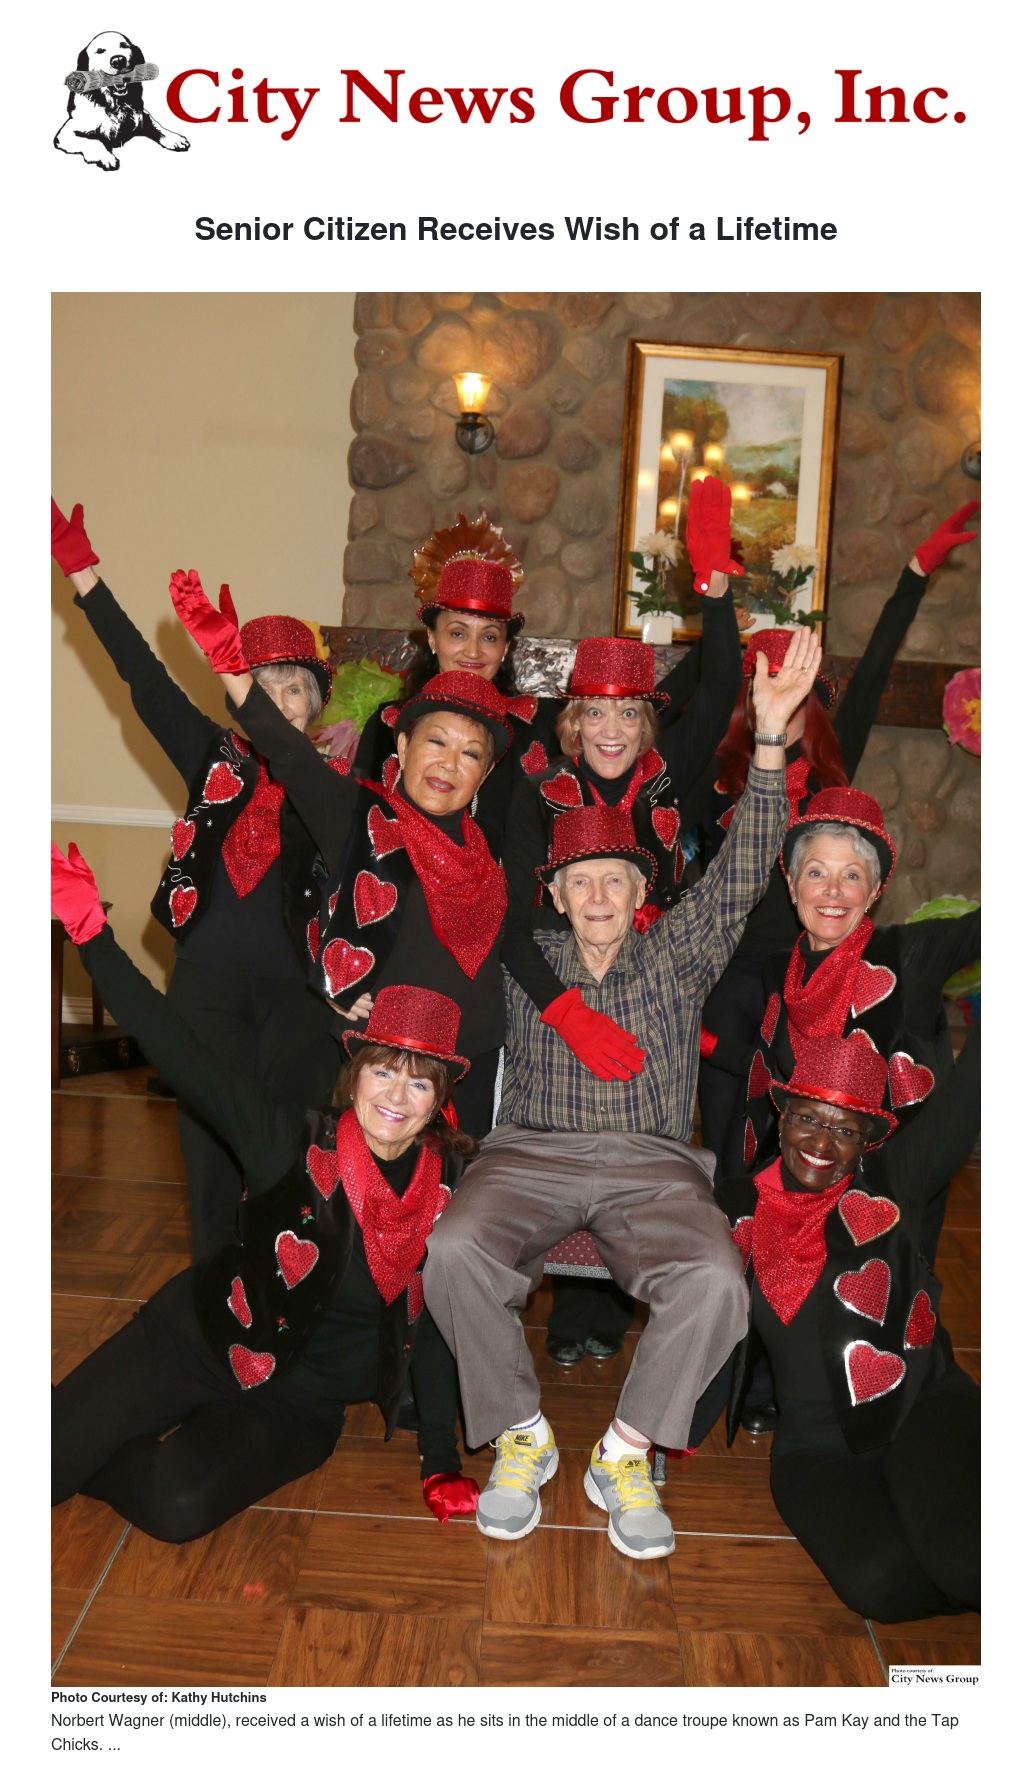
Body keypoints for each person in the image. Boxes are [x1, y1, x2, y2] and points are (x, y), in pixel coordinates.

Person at [423, 628, 821, 1562]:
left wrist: (768, 736)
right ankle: (522, 1433)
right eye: (580, 882)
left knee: (717, 1278)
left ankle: (626, 1450)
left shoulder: (677, 950)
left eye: (615, 879)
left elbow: (746, 862)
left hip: (653, 1166)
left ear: (643, 889)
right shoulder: (527, 958)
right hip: (529, 1153)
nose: (598, 896)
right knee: (452, 1249)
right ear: (556, 895)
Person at [52, 838, 481, 1540]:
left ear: (440, 1101)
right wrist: (91, 934)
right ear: (355, 1073)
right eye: (383, 1070)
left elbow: (435, 1329)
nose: (395, 1096)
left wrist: (440, 1459)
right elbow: (181, 1052)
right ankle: (73, 1427)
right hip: (203, 1337)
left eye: (419, 1082)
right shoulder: (291, 1141)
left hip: (298, 1404)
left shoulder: (452, 1193)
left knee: (176, 1508)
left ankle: (95, 1434)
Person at [51, 498, 343, 1260]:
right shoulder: (214, 758)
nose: (278, 700)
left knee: (293, 1148)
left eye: (293, 688)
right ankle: (216, 1286)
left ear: (313, 707)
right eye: (262, 684)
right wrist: (85, 577)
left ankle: (287, 1280)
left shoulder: (332, 788)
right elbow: (143, 678)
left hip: (297, 999)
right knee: (209, 1149)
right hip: (206, 985)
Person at [500, 476, 745, 1363]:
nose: (610, 727)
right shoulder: (536, 790)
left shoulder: (670, 772)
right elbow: (512, 919)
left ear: (648, 721)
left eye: (628, 712)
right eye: (594, 710)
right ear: (574, 717)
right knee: (571, 1123)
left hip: (664, 974)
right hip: (559, 972)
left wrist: (714, 587)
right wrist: (565, 1004)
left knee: (651, 1129)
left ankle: (647, 1284)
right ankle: (575, 1308)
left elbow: (723, 681)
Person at [168, 563, 528, 1141]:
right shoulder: (360, 817)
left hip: (472, 1061)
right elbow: (289, 755)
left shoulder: (486, 847)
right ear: (402, 745)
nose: (448, 763)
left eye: (470, 754)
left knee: (459, 1193)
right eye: (436, 742)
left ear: (485, 773)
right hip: (380, 1063)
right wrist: (234, 671)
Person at [697, 501, 980, 1179]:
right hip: (726, 978)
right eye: (769, 693)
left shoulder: (830, 773)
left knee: (802, 1146)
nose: (783, 707)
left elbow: (875, 671)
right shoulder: (714, 777)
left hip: (807, 980)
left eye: (798, 695)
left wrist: (913, 577)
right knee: (723, 1150)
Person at [705, 1031, 979, 1622]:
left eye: (846, 1130)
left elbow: (964, 1107)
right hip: (816, 1449)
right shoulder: (735, 1202)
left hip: (922, 1408)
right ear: (783, 1119)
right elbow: (699, 1313)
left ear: (866, 1143)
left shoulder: (893, 1186)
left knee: (963, 1561)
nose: (822, 1143)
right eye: (808, 1118)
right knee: (882, 1588)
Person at [354, 508, 738, 858]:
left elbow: (630, 712)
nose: (473, 650)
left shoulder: (537, 721)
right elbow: (358, 829)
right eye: (457, 633)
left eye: (489, 636)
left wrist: (712, 645)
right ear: (432, 637)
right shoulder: (388, 726)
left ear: (506, 647)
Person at [739, 785, 979, 1261]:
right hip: (799, 1185)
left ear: (873, 892)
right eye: (816, 872)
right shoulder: (778, 969)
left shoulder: (909, 956)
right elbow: (769, 1096)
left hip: (888, 1200)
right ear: (792, 886)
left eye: (851, 875)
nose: (832, 891)